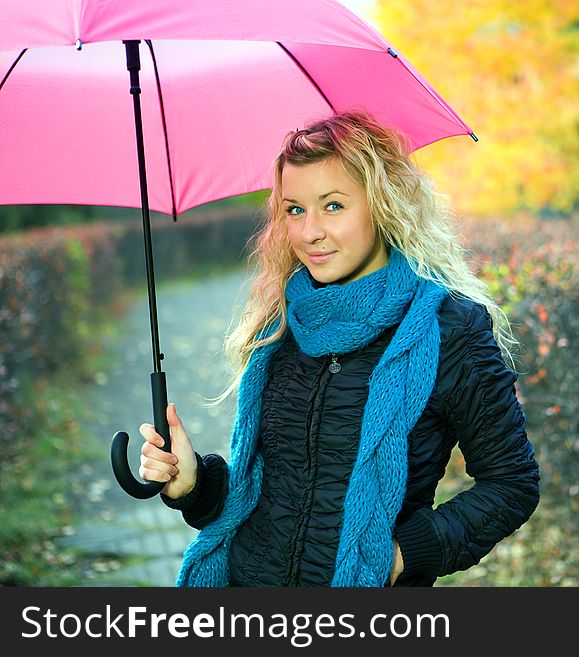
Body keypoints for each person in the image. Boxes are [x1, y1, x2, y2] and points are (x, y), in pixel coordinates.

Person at [138, 110, 540, 587]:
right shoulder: (284, 322)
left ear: (383, 204)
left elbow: (511, 484)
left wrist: (402, 555)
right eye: (294, 209)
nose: (310, 232)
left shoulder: (448, 328)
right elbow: (272, 494)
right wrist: (193, 485)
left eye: (333, 206)